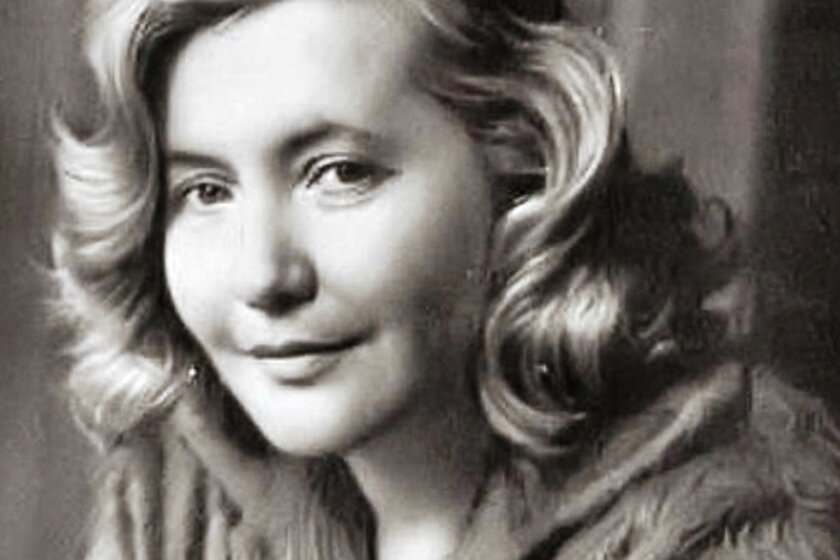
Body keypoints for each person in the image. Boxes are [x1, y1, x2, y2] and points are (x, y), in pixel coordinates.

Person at [51, 0, 840, 558]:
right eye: (205, 191)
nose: (263, 275)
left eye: (340, 173)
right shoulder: (181, 498)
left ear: (524, 167)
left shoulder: (745, 526)